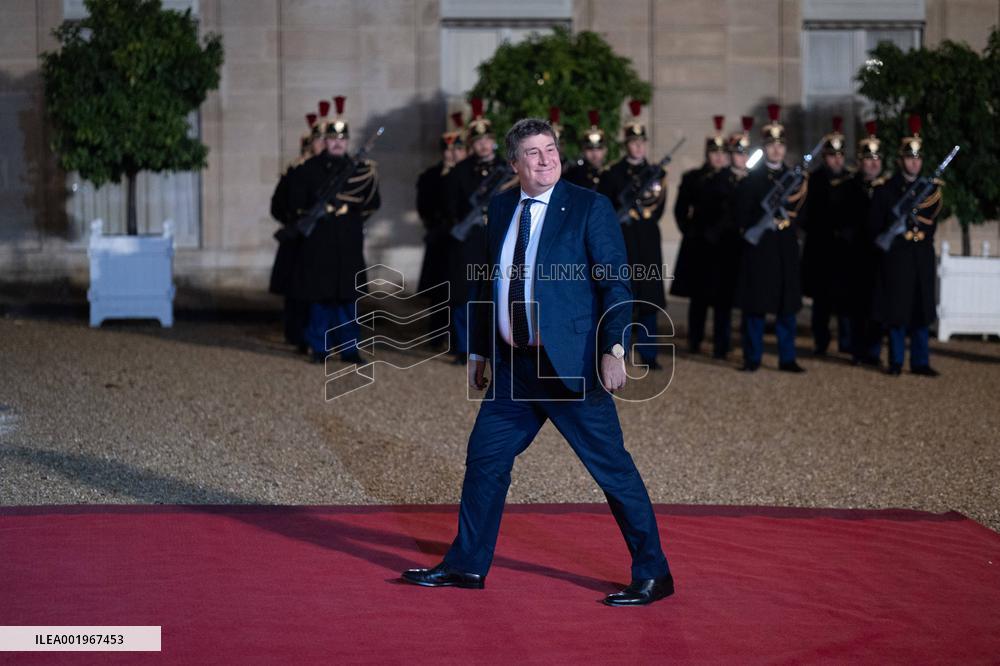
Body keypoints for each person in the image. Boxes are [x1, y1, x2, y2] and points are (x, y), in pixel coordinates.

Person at [402, 118, 674, 607]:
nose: (546, 159)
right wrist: (481, 349)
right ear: (515, 164)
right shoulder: (503, 206)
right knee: (484, 462)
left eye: (551, 149)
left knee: (612, 471)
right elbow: (491, 284)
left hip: (572, 369)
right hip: (513, 370)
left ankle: (654, 574)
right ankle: (465, 566)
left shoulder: (590, 206)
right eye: (533, 152)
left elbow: (616, 284)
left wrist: (615, 349)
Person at [287, 95, 380, 363]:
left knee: (348, 300)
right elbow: (296, 203)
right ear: (324, 141)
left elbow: (372, 202)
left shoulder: (360, 170)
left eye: (342, 139)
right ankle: (320, 348)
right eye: (332, 139)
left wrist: (350, 217)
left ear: (347, 142)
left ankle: (350, 349)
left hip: (348, 240)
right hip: (319, 240)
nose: (338, 143)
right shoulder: (308, 170)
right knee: (320, 299)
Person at [735, 103, 809, 372]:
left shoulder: (795, 179)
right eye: (771, 144)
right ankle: (752, 357)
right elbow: (741, 216)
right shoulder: (751, 181)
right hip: (761, 249)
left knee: (786, 307)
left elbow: (803, 214)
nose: (776, 149)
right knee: (755, 308)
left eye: (781, 144)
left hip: (785, 246)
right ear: (764, 147)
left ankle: (787, 357)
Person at [868, 115, 943, 377]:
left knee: (921, 311)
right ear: (901, 159)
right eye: (910, 157)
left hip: (920, 254)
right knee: (897, 312)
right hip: (898, 256)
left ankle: (920, 362)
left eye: (918, 158)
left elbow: (932, 223)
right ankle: (896, 360)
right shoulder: (885, 189)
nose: (915, 162)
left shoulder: (931, 190)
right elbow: (875, 227)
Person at [598, 100, 668, 370]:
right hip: (623, 241)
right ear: (626, 144)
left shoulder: (656, 173)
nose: (637, 147)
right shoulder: (613, 174)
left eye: (641, 142)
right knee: (622, 299)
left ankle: (649, 354)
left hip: (648, 239)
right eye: (632, 142)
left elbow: (658, 207)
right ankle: (619, 352)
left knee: (648, 300)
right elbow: (606, 210)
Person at [445, 98, 515, 365]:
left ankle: (498, 345)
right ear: (471, 144)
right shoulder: (460, 171)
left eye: (487, 139)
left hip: (499, 239)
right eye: (478, 140)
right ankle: (464, 347)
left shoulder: (508, 168)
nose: (484, 144)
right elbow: (450, 206)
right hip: (470, 240)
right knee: (466, 295)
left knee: (499, 294)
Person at [671, 115, 732, 355]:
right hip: (699, 245)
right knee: (699, 299)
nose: (718, 156)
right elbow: (680, 210)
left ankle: (722, 345)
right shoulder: (693, 178)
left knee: (723, 301)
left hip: (724, 247)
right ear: (707, 153)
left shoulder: (734, 179)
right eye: (714, 152)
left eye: (722, 152)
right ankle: (695, 341)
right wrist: (691, 232)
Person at [801, 116, 855, 356]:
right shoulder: (813, 181)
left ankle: (846, 341)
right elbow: (804, 214)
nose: (837, 159)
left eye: (840, 155)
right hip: (820, 248)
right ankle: (820, 341)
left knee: (845, 301)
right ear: (825, 157)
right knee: (821, 302)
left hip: (844, 250)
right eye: (833, 155)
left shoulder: (851, 181)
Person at [416, 114, 467, 346]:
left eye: (457, 148)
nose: (452, 154)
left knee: (461, 291)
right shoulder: (431, 176)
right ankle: (437, 334)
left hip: (464, 238)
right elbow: (424, 205)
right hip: (440, 236)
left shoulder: (469, 174)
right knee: (439, 289)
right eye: (447, 149)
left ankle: (459, 337)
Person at [845, 121, 886, 366]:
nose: (873, 164)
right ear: (860, 161)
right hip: (857, 255)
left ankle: (874, 351)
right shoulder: (849, 188)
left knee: (878, 307)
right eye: (868, 159)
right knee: (858, 306)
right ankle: (858, 350)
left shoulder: (888, 188)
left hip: (880, 256)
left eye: (877, 159)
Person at [563, 110, 607, 191]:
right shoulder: (574, 174)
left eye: (599, 149)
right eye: (590, 149)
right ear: (583, 150)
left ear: (605, 150)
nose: (595, 154)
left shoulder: (611, 173)